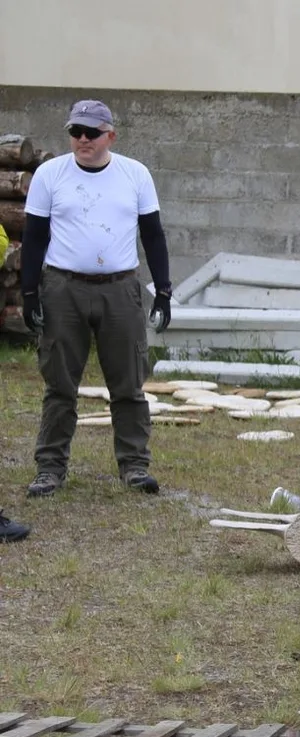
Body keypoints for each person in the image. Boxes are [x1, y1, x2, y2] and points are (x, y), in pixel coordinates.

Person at [20, 100, 173, 498]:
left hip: (119, 288)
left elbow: (153, 236)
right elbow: (34, 237)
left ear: (111, 135)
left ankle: (135, 466)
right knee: (59, 386)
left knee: (128, 384)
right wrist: (30, 292)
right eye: (75, 132)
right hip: (63, 288)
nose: (82, 140)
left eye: (91, 132)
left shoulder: (134, 175)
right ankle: (50, 468)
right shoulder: (51, 175)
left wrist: (165, 290)